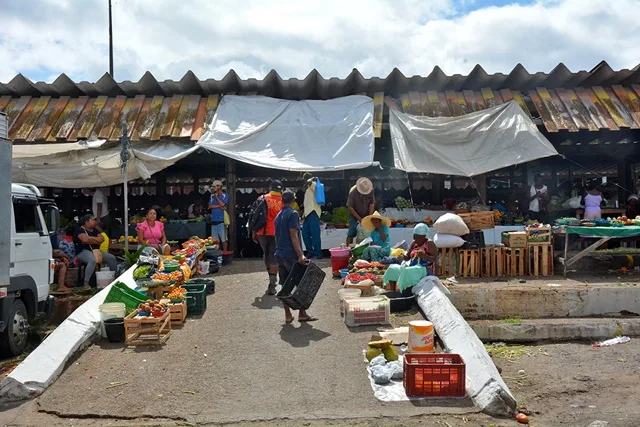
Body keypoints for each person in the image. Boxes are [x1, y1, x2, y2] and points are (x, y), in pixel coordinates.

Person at [274, 191, 317, 323]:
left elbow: (277, 237)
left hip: (280, 253)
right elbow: (294, 235)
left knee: (285, 285)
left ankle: (288, 315)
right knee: (301, 284)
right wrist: (300, 255)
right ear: (293, 201)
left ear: (282, 201)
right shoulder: (293, 214)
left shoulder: (278, 215)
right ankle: (302, 313)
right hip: (290, 254)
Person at [253, 180, 284, 295]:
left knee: (266, 255)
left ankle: (271, 280)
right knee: (274, 257)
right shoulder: (284, 200)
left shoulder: (262, 198)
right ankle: (273, 281)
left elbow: (254, 216)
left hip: (262, 232)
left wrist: (253, 231)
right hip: (278, 232)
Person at [74, 214, 117, 290]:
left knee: (111, 258)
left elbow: (102, 239)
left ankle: (115, 279)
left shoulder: (95, 230)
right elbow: (85, 240)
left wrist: (90, 239)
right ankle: (86, 283)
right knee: (92, 260)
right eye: (92, 220)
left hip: (96, 251)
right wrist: (95, 240)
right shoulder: (79, 230)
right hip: (82, 251)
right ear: (86, 222)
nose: (95, 222)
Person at [346, 177, 375, 246]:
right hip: (354, 215)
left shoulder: (370, 190)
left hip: (366, 214)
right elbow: (350, 207)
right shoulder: (353, 192)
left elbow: (372, 204)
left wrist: (369, 216)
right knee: (351, 233)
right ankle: (349, 250)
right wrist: (360, 219)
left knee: (369, 233)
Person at [301, 174, 322, 259]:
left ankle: (318, 253)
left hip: (313, 212)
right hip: (307, 214)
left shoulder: (313, 184)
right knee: (305, 233)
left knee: (315, 234)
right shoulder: (308, 189)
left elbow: (309, 181)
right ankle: (310, 251)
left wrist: (313, 178)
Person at [209, 180, 229, 251]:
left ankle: (225, 253)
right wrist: (219, 206)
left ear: (219, 186)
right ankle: (217, 255)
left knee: (223, 239)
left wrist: (217, 197)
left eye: (215, 186)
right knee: (215, 240)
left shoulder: (225, 195)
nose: (213, 188)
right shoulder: (211, 196)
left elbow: (223, 204)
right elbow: (210, 206)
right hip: (213, 220)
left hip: (222, 220)